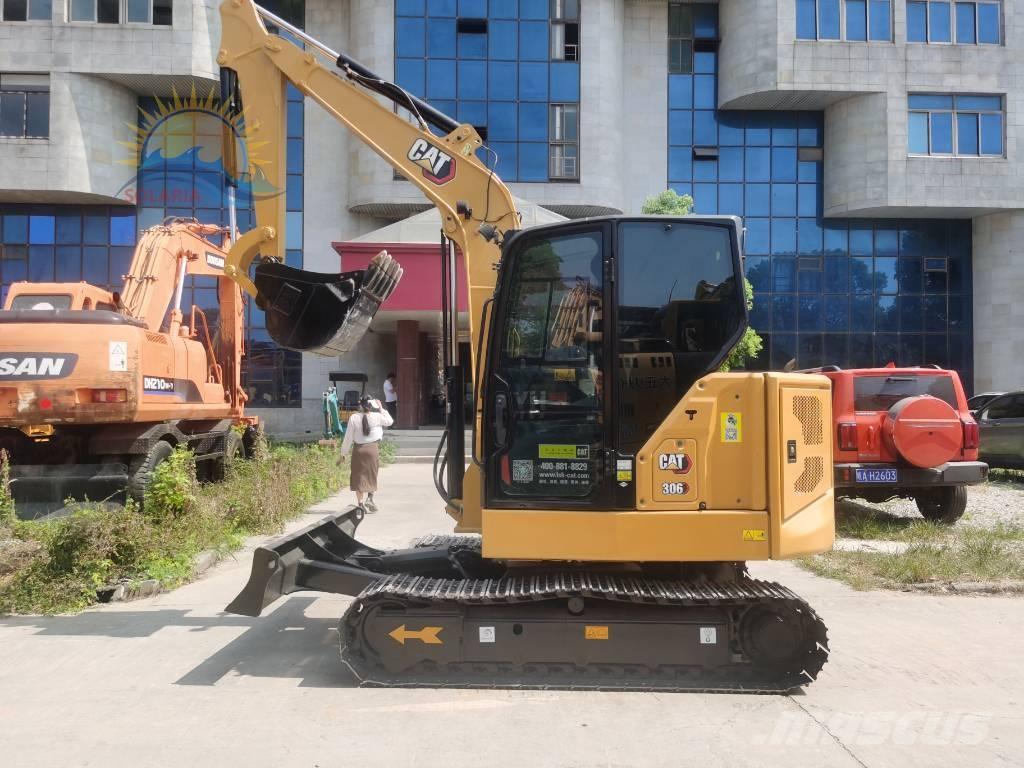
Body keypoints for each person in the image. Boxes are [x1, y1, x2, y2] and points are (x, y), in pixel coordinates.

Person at [336, 395, 393, 512]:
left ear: (360, 405)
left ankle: (360, 504)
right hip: (373, 450)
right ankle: (370, 498)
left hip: (359, 450)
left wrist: (343, 453)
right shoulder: (377, 416)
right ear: (371, 406)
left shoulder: (354, 417)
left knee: (358, 476)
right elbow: (390, 421)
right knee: (372, 473)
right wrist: (381, 408)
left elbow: (348, 438)